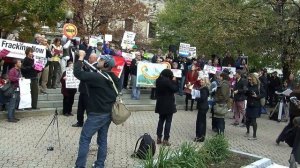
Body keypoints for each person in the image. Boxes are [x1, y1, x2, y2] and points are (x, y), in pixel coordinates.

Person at [74, 50, 119, 168]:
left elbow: (78, 73)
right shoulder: (114, 78)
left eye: (101, 60)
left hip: (96, 114)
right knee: (102, 140)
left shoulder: (98, 78)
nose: (99, 60)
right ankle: (99, 165)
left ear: (105, 64)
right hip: (108, 113)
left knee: (85, 139)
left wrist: (81, 57)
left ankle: (79, 166)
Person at [72, 53, 98, 127]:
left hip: (89, 91)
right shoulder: (88, 65)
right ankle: (80, 122)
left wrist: (86, 68)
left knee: (88, 108)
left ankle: (90, 123)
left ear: (94, 58)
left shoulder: (96, 66)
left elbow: (91, 74)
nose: (89, 59)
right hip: (83, 89)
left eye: (90, 57)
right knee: (80, 108)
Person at [155, 69, 178, 146]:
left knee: (161, 120)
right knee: (168, 122)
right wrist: (174, 81)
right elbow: (175, 89)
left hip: (160, 103)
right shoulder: (168, 81)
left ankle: (158, 138)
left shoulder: (158, 80)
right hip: (168, 104)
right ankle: (165, 139)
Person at [245, 74, 264, 140]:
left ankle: (254, 135)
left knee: (253, 120)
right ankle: (247, 131)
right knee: (247, 120)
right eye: (248, 79)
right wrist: (246, 91)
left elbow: (263, 94)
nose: (249, 80)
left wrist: (257, 96)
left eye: (250, 79)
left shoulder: (259, 86)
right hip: (249, 103)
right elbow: (246, 93)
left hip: (255, 104)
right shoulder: (248, 85)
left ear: (254, 79)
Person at [194, 77, 210, 142]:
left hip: (203, 107)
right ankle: (201, 136)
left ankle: (200, 136)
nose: (201, 81)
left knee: (200, 122)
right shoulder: (203, 88)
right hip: (203, 106)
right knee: (202, 121)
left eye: (202, 80)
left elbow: (202, 98)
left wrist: (196, 98)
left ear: (205, 82)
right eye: (201, 80)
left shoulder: (204, 89)